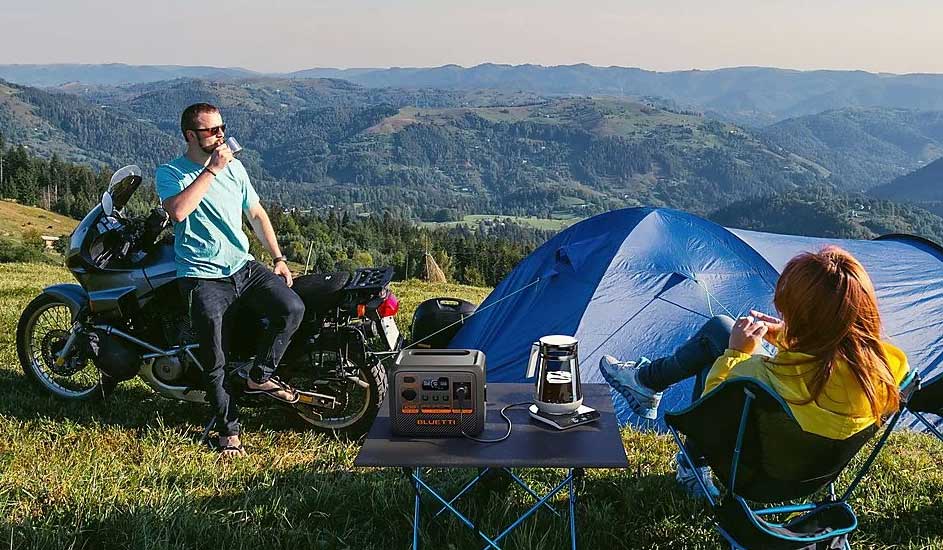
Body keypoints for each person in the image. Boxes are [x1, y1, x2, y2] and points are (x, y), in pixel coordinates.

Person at [599, 246, 909, 497]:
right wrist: (787, 336)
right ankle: (646, 381)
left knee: (720, 335)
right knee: (720, 329)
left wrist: (736, 351)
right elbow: (832, 356)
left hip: (756, 474)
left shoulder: (763, 379)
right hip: (811, 477)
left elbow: (712, 406)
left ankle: (664, 415)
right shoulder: (888, 368)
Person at [156, 103, 306, 458]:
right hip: (201, 275)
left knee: (291, 307)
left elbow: (255, 213)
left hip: (243, 266)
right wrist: (210, 170)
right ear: (191, 136)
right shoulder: (171, 172)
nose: (221, 135)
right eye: (212, 130)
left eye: (222, 128)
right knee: (214, 357)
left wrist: (279, 258)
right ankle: (229, 432)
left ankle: (260, 375)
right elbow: (177, 211)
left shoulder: (235, 168)